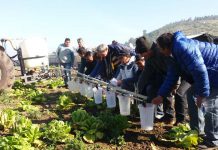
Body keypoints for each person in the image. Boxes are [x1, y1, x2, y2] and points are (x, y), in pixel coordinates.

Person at [153, 31, 218, 148]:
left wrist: (202, 94)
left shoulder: (183, 47)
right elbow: (171, 76)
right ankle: (197, 131)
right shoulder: (173, 54)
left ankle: (212, 140)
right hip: (207, 72)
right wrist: (161, 95)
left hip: (215, 69)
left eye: (160, 48)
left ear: (166, 47)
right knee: (191, 95)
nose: (160, 52)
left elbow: (199, 70)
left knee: (209, 103)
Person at [135, 36, 175, 124]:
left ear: (148, 50)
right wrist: (139, 87)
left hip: (171, 74)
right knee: (151, 89)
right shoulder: (149, 57)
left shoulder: (161, 51)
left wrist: (174, 85)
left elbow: (172, 70)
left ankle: (169, 117)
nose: (142, 56)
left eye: (143, 54)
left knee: (166, 92)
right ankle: (151, 115)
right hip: (160, 76)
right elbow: (146, 72)